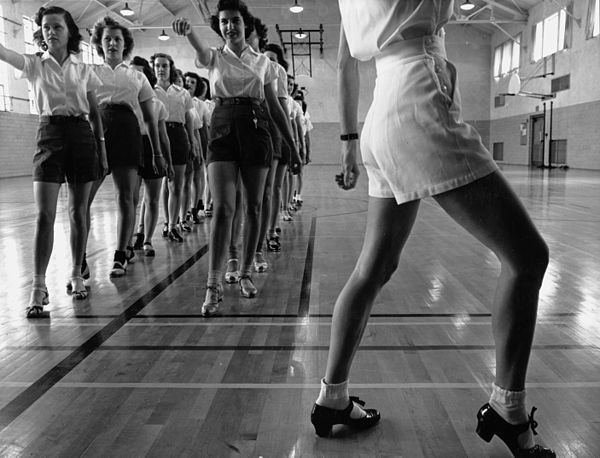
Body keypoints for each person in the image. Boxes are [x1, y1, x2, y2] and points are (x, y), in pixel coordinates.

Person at [311, 2, 555, 457]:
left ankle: (332, 398)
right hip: (420, 98)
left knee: (374, 268)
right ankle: (509, 410)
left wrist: (347, 141)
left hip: (381, 112)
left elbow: (345, 60)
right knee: (528, 257)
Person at [172, 0, 301, 317]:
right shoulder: (215, 57)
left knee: (255, 205)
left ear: (246, 24)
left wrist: (294, 147)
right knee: (225, 208)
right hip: (223, 127)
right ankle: (213, 284)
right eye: (225, 22)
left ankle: (245, 272)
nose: (230, 26)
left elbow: (275, 107)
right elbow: (201, 53)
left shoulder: (264, 64)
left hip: (256, 129)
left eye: (235, 21)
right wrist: (189, 34)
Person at [0, 6, 106, 316]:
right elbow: (5, 53)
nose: (51, 32)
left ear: (69, 31)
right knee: (44, 215)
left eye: (57, 26)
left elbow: (95, 113)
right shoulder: (34, 65)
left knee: (77, 211)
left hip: (81, 135)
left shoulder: (84, 68)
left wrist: (102, 148)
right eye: (46, 27)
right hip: (48, 134)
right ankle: (38, 285)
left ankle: (76, 272)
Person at [90, 17, 165, 276]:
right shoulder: (90, 72)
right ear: (100, 44)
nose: (112, 43)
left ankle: (121, 253)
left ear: (125, 44)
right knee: (84, 199)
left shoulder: (137, 76)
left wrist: (156, 152)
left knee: (126, 196)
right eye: (107, 39)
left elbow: (149, 118)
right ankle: (80, 259)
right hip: (97, 129)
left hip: (127, 131)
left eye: (117, 39)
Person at [151, 53, 198, 243]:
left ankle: (173, 224)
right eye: (157, 66)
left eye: (165, 66)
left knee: (175, 183)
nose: (161, 69)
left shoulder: (182, 93)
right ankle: (163, 223)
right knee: (161, 184)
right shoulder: (149, 90)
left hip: (177, 135)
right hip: (155, 135)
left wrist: (193, 142)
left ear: (171, 68)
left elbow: (189, 120)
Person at [130, 56, 172, 257]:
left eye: (139, 73)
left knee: (152, 198)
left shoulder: (156, 104)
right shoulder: (124, 101)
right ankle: (128, 242)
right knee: (130, 198)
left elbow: (163, 136)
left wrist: (167, 160)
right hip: (131, 145)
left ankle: (147, 239)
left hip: (151, 147)